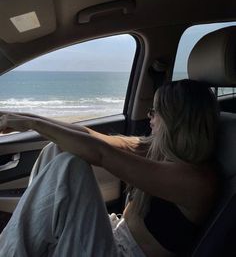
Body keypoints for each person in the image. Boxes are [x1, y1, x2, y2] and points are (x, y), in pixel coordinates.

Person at [0, 79, 219, 257]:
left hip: (123, 254)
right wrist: (26, 118)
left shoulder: (196, 182)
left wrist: (32, 125)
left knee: (70, 166)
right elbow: (89, 137)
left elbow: (101, 154)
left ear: (176, 121)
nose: (149, 115)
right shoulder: (156, 149)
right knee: (56, 149)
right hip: (114, 236)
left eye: (156, 111)